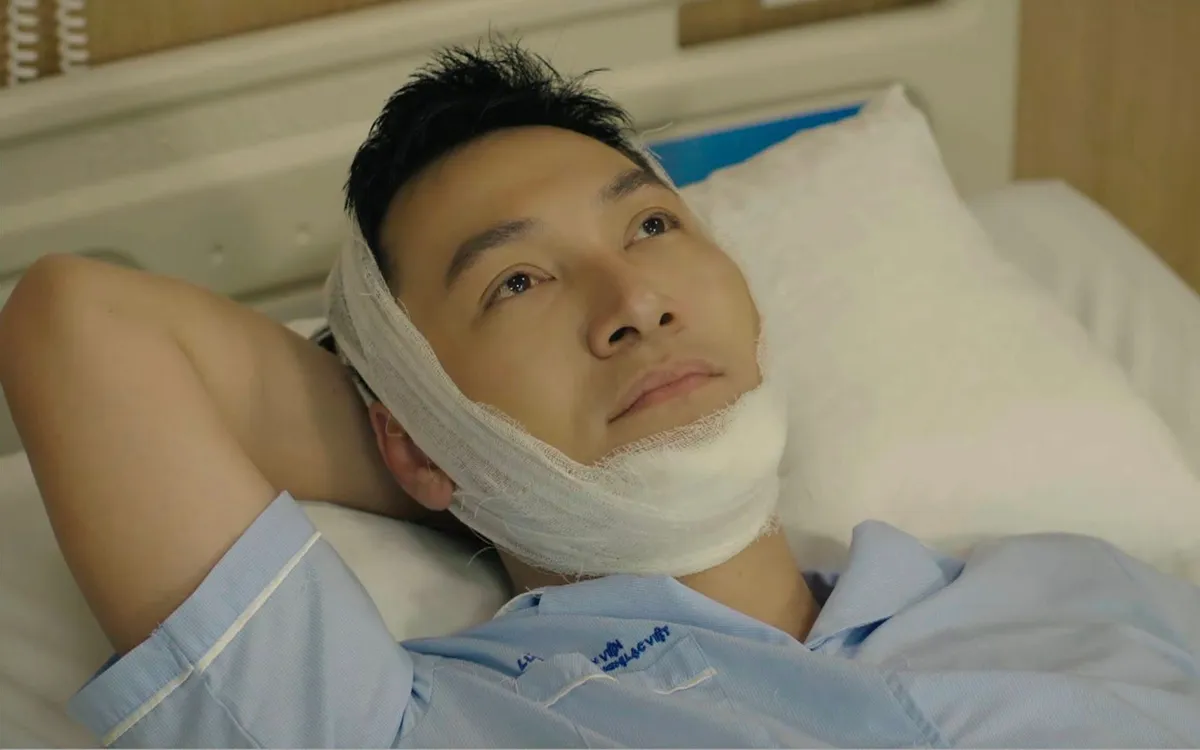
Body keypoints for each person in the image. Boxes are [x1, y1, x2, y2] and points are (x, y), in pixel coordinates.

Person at [1, 40, 1197, 749]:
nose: (634, 300)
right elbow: (80, 323)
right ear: (410, 445)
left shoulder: (1077, 587)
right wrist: (473, 467)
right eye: (517, 282)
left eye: (653, 226)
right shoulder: (418, 723)